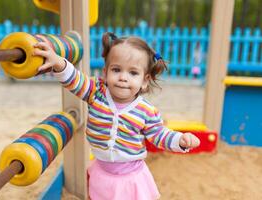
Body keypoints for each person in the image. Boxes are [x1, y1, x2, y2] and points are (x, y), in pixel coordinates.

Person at [33, 32, 200, 200]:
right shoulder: (96, 93)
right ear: (105, 73)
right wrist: (58, 63)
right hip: (102, 172)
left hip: (130, 179)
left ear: (144, 80)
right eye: (116, 69)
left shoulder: (146, 111)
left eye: (133, 73)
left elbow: (159, 135)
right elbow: (76, 80)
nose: (122, 78)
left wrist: (180, 140)